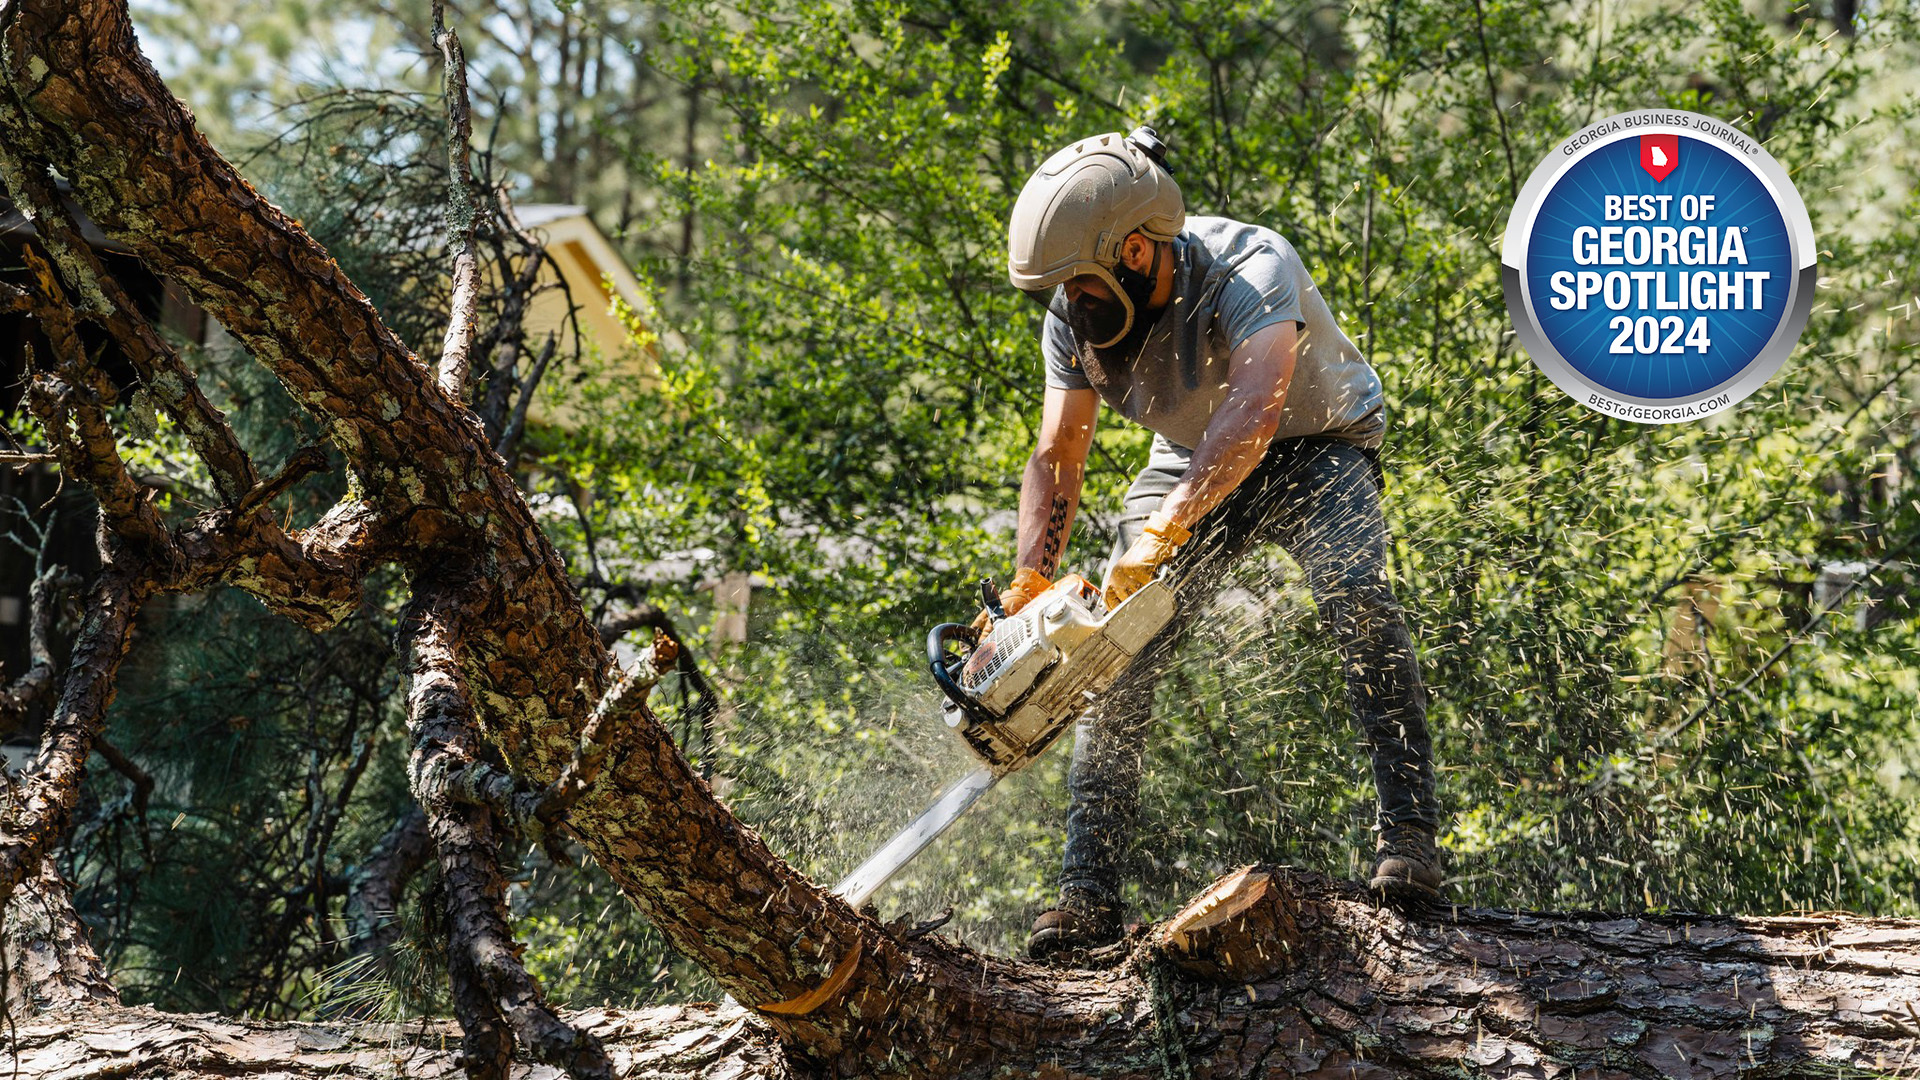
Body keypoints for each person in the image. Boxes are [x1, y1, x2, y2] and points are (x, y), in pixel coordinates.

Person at [989, 127, 1442, 960]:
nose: (1071, 300)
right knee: (1112, 651)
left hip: (1315, 441)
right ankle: (1086, 894)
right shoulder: (1071, 322)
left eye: (1080, 280)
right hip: (1188, 456)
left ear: (1133, 249)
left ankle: (1411, 837)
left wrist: (1166, 531)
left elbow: (1255, 410)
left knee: (1357, 596)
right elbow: (1059, 453)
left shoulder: (1250, 265)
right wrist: (1029, 583)